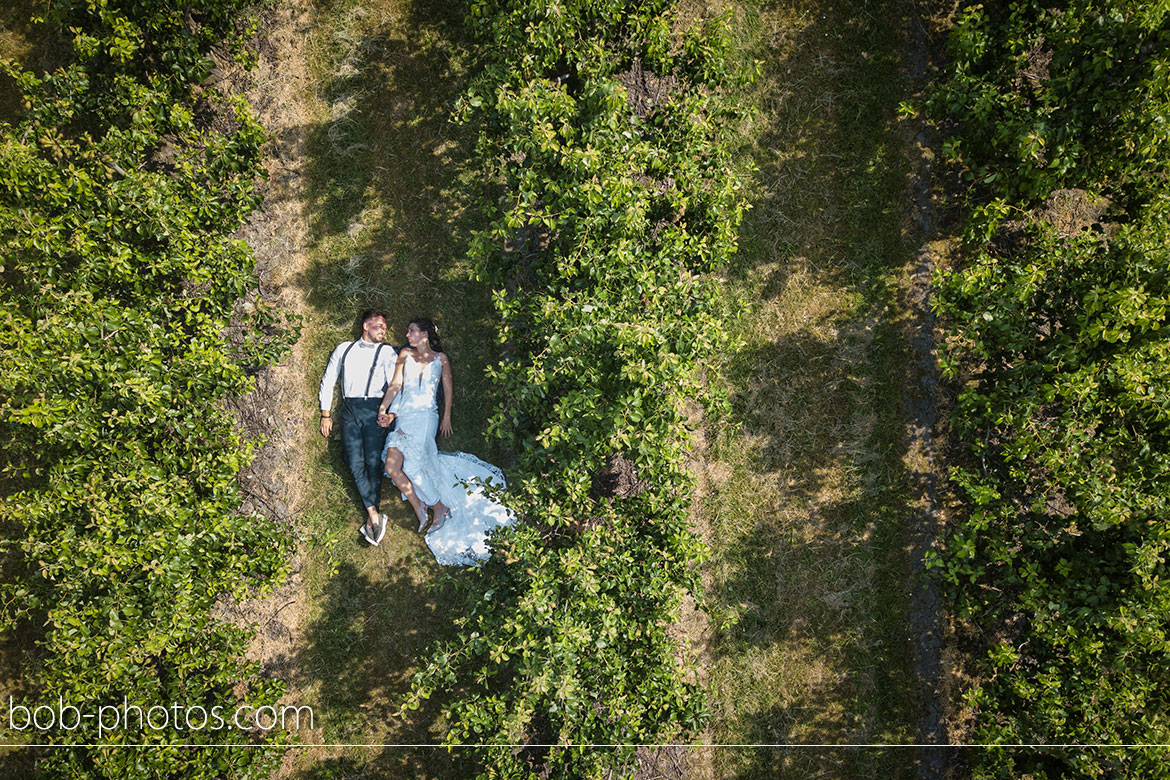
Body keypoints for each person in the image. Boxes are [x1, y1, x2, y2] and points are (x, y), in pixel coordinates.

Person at [377, 318, 513, 566]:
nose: (407, 335)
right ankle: (420, 507)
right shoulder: (405, 354)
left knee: (411, 467)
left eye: (412, 331)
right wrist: (384, 408)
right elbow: (396, 384)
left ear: (425, 334)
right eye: (408, 332)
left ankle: (439, 507)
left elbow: (447, 388)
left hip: (427, 417)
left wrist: (447, 415)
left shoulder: (441, 359)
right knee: (390, 467)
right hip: (405, 417)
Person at [319, 309, 398, 546]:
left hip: (375, 409)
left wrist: (393, 413)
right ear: (365, 325)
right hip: (349, 409)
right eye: (379, 325)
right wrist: (326, 413)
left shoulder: (387, 352)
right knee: (354, 462)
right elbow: (329, 378)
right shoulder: (344, 349)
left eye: (385, 327)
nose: (383, 330)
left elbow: (397, 384)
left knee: (373, 462)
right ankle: (374, 515)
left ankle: (372, 516)